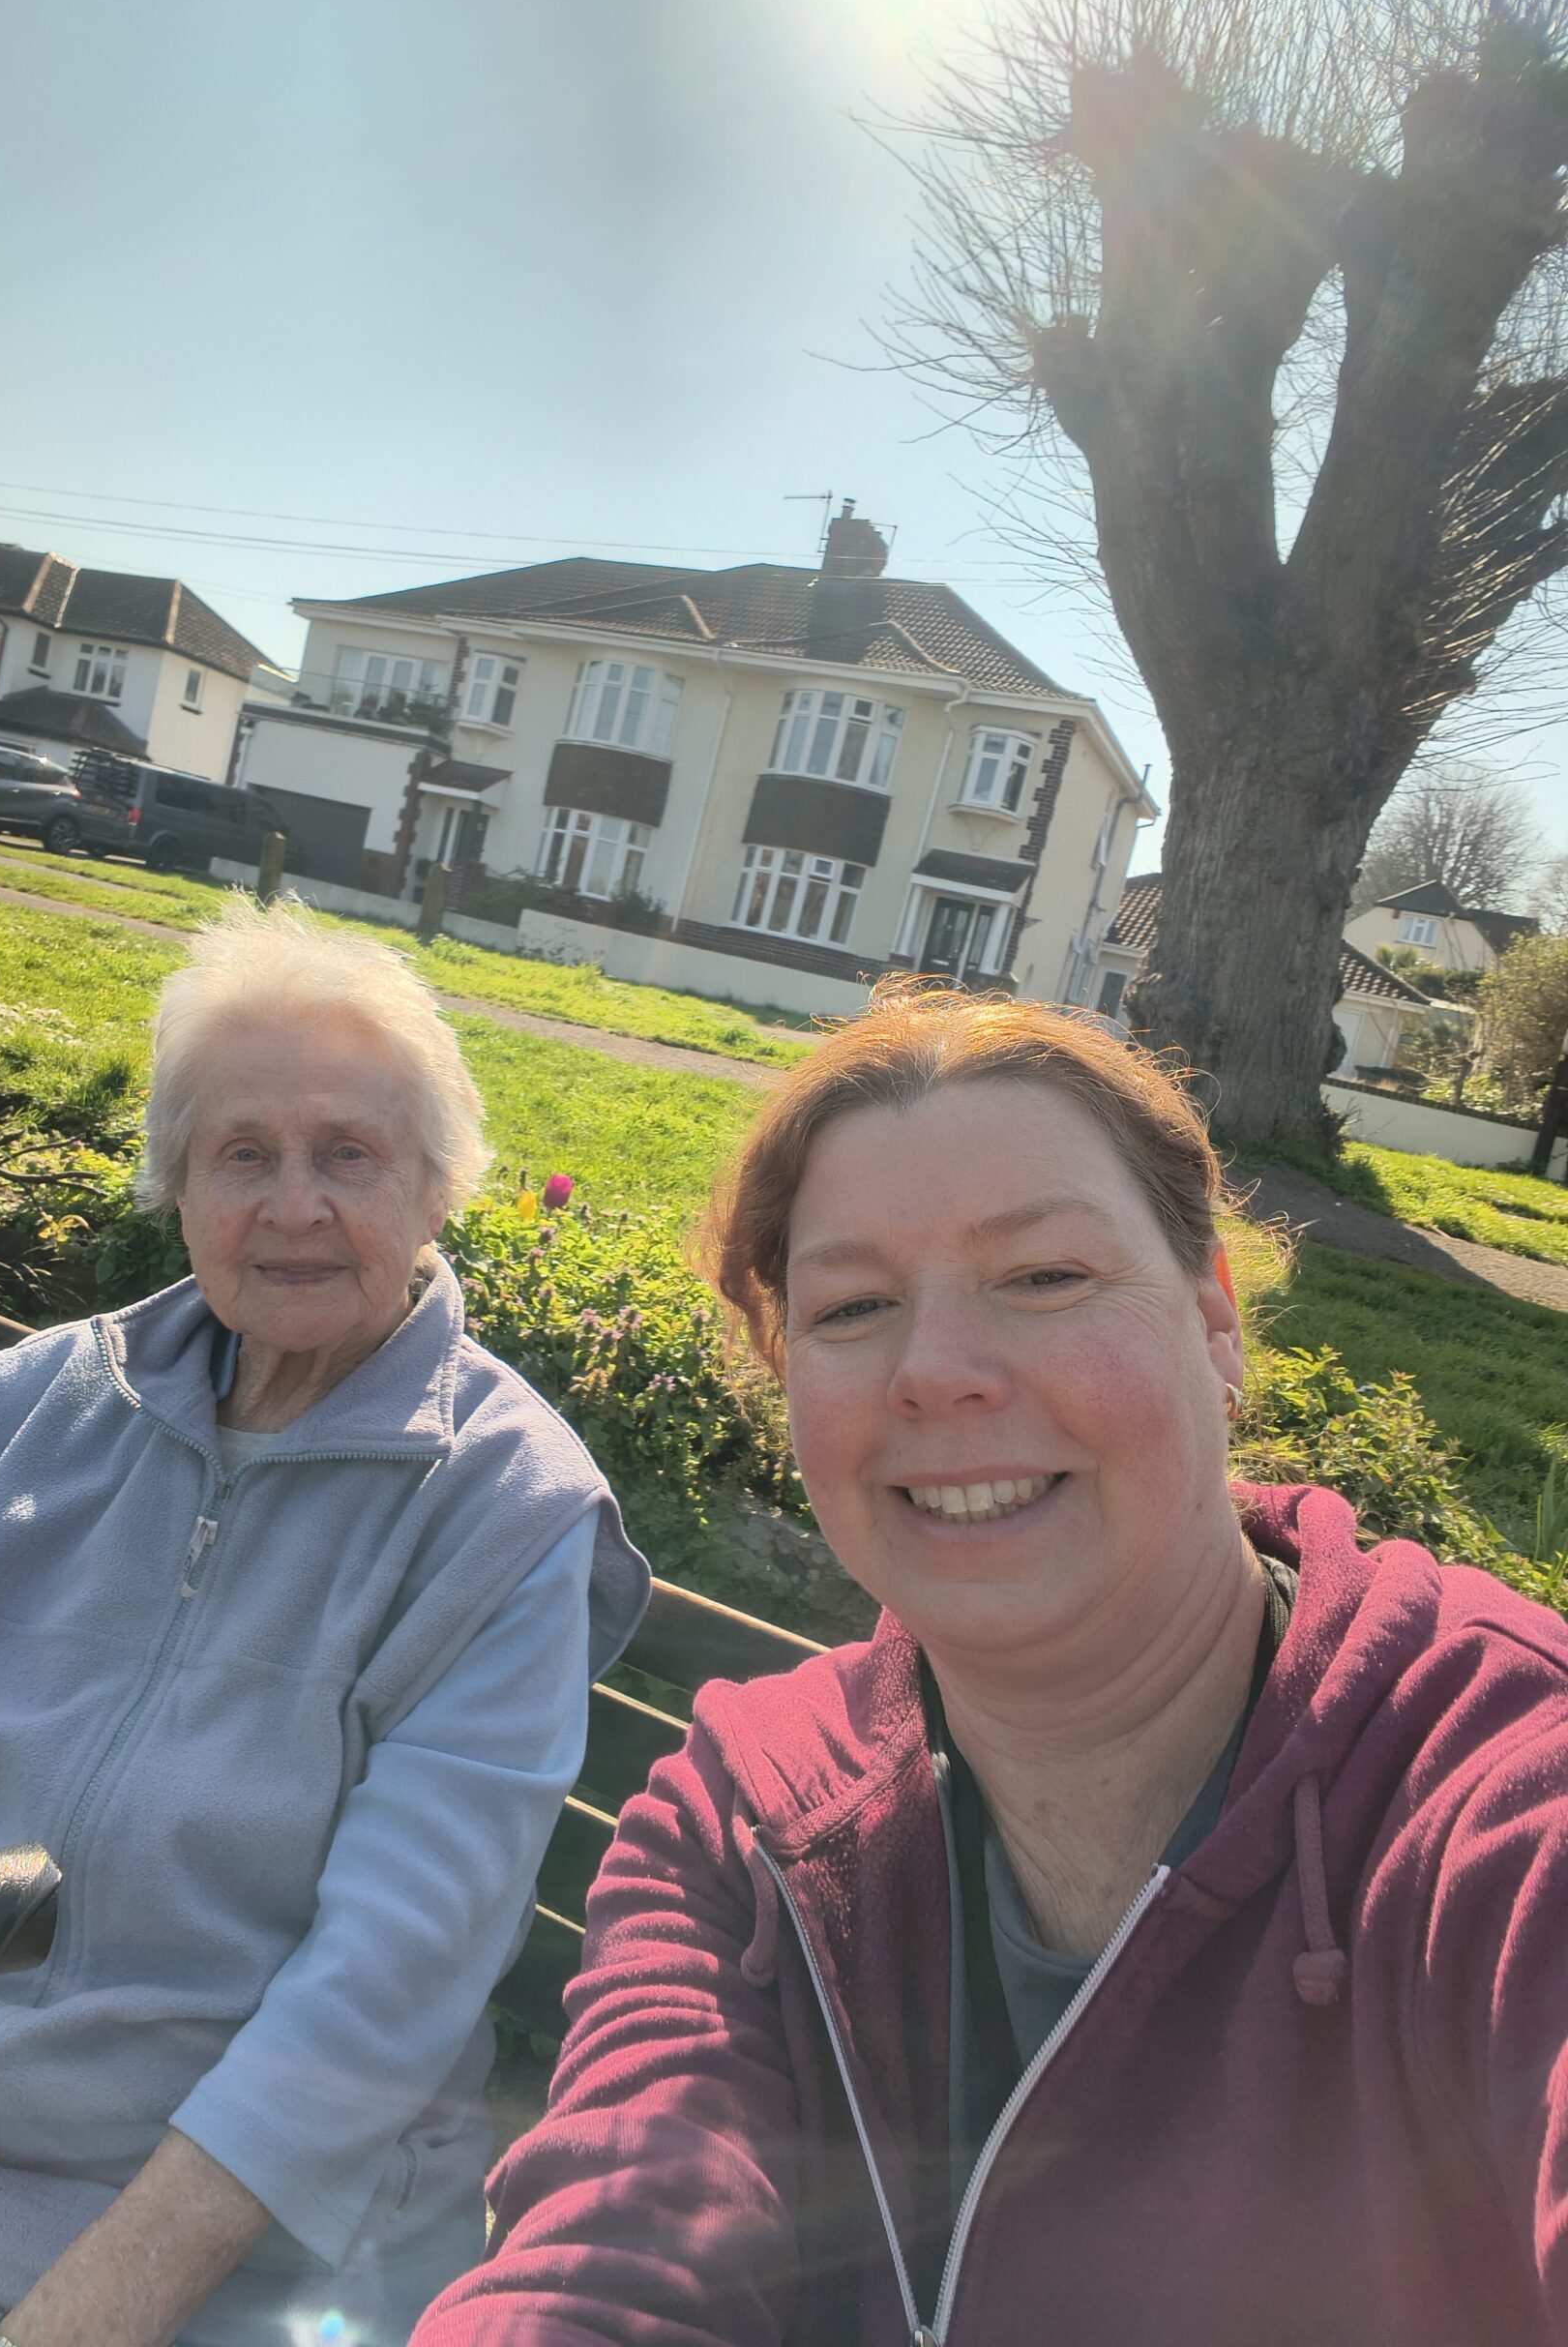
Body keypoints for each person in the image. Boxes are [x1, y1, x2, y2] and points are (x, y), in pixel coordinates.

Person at [413, 980, 1568, 2347]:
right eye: (851, 1309)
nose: (939, 1370)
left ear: (1214, 1323)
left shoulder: (1498, 1793)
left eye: (1045, 1277)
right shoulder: (747, 1814)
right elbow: (604, 2261)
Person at [0, 899, 649, 2347]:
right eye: (244, 1155)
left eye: (350, 1155)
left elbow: (385, 1988)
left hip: (150, 2233)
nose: (294, 1205)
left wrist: (91, 2313)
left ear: (439, 1189)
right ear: (179, 1186)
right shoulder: (46, 1397)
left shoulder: (505, 1515)